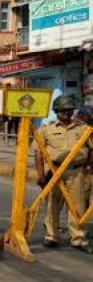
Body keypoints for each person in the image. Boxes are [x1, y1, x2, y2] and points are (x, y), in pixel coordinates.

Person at [34, 94, 91, 253]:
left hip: (76, 172)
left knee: (78, 206)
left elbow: (91, 149)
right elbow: (38, 152)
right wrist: (40, 175)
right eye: (61, 110)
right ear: (56, 111)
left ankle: (78, 238)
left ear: (73, 111)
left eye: (68, 110)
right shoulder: (46, 129)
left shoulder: (83, 128)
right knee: (53, 204)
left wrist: (86, 168)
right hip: (55, 171)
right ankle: (51, 236)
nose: (65, 113)